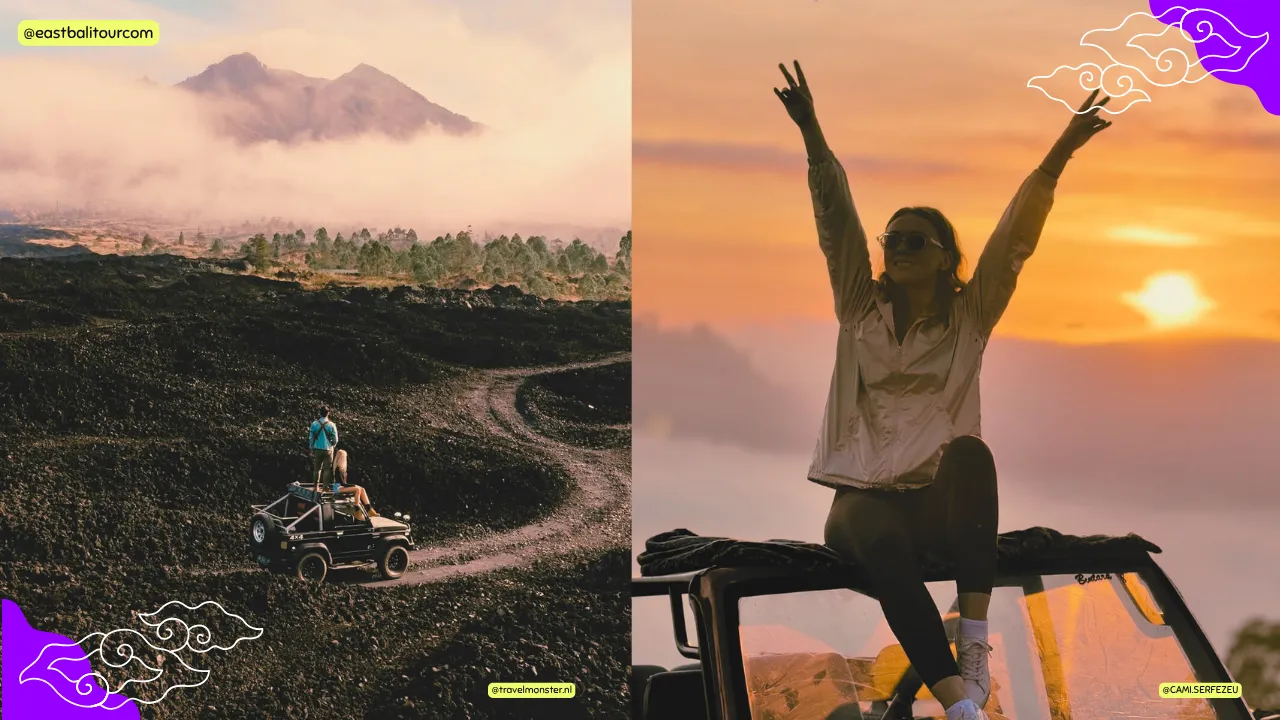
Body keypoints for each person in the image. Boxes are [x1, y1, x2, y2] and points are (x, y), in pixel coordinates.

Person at [773, 61, 1111, 720]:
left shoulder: (970, 316)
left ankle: (975, 639)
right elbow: (834, 222)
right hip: (861, 504)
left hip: (932, 500)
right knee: (882, 539)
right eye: (891, 239)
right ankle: (959, 703)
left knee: (972, 457)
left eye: (913, 240)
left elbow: (1015, 240)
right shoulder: (857, 305)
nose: (895, 248)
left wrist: (1060, 153)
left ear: (944, 259)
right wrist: (812, 133)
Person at [331, 448, 378, 516]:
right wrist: (354, 485)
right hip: (337, 487)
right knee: (357, 489)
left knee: (362, 489)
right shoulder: (338, 469)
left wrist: (353, 485)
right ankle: (357, 509)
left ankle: (369, 508)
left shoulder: (342, 469)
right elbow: (342, 483)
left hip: (340, 486)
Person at [308, 406, 338, 491]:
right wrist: (332, 445)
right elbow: (335, 439)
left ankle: (315, 487)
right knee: (327, 469)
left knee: (317, 469)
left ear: (320, 413)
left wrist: (311, 448)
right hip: (328, 449)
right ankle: (325, 487)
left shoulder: (314, 424)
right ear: (328, 413)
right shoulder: (331, 425)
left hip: (317, 448)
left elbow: (311, 437)